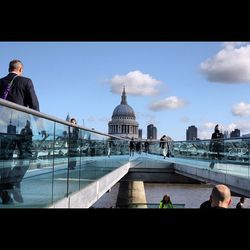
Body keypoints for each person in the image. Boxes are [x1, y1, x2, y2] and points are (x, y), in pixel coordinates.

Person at [0, 120, 33, 204]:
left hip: (10, 122)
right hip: (11, 121)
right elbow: (35, 107)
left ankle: (7, 188)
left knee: (6, 157)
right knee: (6, 157)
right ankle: (8, 188)